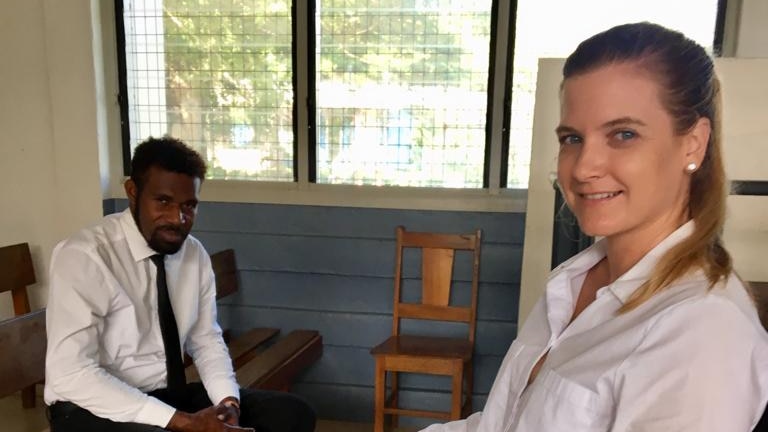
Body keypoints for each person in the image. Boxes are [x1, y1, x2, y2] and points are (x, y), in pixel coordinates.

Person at [420, 22, 768, 432]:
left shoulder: (703, 333)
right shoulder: (570, 284)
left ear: (693, 143)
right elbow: (505, 422)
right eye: (572, 139)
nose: (584, 167)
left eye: (623, 134)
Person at [44, 136, 316, 432]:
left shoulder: (192, 254)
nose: (178, 218)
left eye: (189, 205)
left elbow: (206, 340)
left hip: (166, 395)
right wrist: (182, 421)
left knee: (292, 414)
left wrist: (228, 404)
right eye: (163, 201)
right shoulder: (87, 255)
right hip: (91, 407)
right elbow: (71, 373)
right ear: (133, 192)